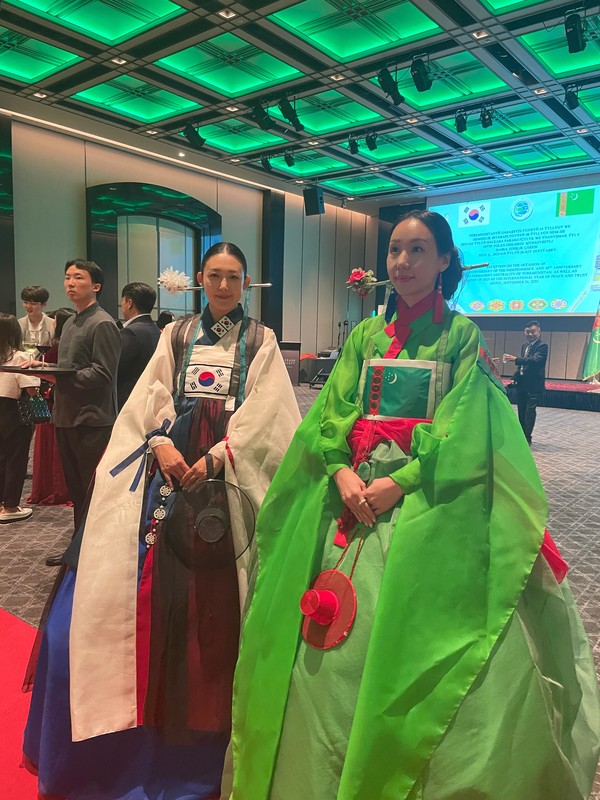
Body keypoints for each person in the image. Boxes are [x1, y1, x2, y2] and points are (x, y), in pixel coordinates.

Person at [227, 211, 600, 800]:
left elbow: (459, 426)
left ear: (445, 261)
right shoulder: (366, 337)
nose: (402, 263)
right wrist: (342, 469)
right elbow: (333, 410)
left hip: (424, 497)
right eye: (395, 251)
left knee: (429, 636)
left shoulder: (460, 337)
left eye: (419, 251)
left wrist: (402, 480)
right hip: (351, 490)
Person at [23, 242, 301, 800]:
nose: (223, 287)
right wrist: (156, 443)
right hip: (166, 469)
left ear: (246, 284)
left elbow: (269, 415)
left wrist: (219, 455)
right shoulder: (176, 336)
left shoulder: (260, 340)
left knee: (217, 612)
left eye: (233, 278)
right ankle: (119, 736)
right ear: (200, 280)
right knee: (111, 593)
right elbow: (144, 398)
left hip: (226, 476)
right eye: (215, 277)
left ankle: (204, 748)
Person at [41, 260, 121, 565]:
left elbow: (102, 375)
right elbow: (68, 369)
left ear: (96, 286)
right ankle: (79, 550)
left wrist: (56, 376)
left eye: (78, 277)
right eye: (67, 277)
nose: (70, 283)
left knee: (92, 493)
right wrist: (46, 369)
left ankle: (95, 555)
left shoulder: (103, 323)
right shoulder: (72, 322)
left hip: (92, 420)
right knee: (76, 492)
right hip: (65, 416)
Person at [28, 309, 74, 506]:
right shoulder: (66, 345)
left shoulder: (56, 346)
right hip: (59, 401)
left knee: (50, 446)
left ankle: (53, 488)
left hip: (51, 401)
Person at [0, 314, 40, 522]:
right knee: (16, 458)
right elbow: (31, 388)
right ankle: (11, 506)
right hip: (13, 411)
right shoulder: (20, 357)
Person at [117, 282, 161, 410]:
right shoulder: (156, 330)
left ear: (129, 303)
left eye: (123, 302)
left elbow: (116, 369)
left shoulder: (130, 332)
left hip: (129, 401)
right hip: (150, 399)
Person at [504, 320, 548, 444]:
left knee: (530, 411)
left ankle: (527, 437)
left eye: (533, 332)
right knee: (521, 410)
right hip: (522, 385)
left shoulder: (542, 346)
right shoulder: (525, 346)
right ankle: (522, 435)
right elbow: (522, 366)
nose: (530, 334)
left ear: (539, 332)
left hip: (534, 385)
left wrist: (516, 359)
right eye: (528, 332)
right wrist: (514, 377)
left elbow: (535, 360)